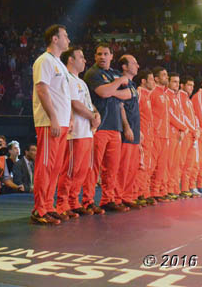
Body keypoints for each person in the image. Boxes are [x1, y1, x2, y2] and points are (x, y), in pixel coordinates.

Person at [31, 24, 71, 225]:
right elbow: (42, 90)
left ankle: (48, 205)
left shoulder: (60, 64)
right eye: (65, 36)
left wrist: (68, 119)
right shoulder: (44, 61)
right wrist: (53, 118)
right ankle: (39, 209)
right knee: (45, 165)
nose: (68, 40)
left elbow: (63, 95)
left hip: (62, 122)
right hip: (49, 122)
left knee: (55, 167)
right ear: (55, 39)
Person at [83, 44, 131, 213]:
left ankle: (107, 199)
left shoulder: (115, 73)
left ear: (111, 55)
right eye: (98, 54)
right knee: (93, 166)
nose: (102, 57)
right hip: (99, 126)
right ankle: (88, 200)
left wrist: (112, 90)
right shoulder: (93, 73)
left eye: (105, 54)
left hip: (115, 126)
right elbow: (102, 93)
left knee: (112, 167)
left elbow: (129, 94)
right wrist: (117, 84)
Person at [55, 47, 99, 217]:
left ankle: (73, 201)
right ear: (71, 60)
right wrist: (92, 116)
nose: (85, 60)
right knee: (71, 169)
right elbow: (74, 103)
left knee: (82, 171)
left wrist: (96, 114)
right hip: (76, 132)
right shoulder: (68, 79)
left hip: (87, 131)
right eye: (81, 57)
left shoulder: (81, 81)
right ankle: (62, 204)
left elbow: (88, 103)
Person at [117, 55, 142, 209]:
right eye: (134, 63)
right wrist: (126, 126)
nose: (137, 65)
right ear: (125, 67)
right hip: (127, 131)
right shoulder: (120, 83)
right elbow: (120, 106)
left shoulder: (132, 84)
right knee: (123, 167)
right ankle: (118, 197)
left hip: (135, 130)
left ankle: (127, 196)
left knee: (132, 167)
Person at [150, 66, 173, 202]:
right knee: (152, 165)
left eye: (167, 74)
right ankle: (147, 192)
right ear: (156, 78)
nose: (167, 77)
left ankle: (157, 191)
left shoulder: (165, 95)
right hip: (155, 135)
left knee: (162, 166)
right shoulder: (153, 93)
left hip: (165, 135)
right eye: (164, 75)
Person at [165, 72, 187, 200]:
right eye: (174, 81)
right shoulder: (167, 95)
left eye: (178, 82)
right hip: (170, 134)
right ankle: (166, 189)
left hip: (178, 135)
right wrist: (183, 127)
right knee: (168, 164)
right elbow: (170, 115)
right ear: (168, 82)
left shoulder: (176, 96)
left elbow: (181, 114)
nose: (177, 84)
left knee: (176, 164)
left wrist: (183, 129)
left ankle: (173, 188)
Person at [135, 69, 156, 206]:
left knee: (148, 164)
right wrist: (138, 131)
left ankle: (144, 192)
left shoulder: (148, 95)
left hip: (149, 136)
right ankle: (137, 194)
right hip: (142, 136)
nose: (154, 82)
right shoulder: (139, 93)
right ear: (143, 81)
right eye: (151, 79)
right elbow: (133, 113)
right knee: (141, 165)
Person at [179, 76, 200, 198]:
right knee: (181, 163)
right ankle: (177, 188)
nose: (191, 88)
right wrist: (193, 129)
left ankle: (185, 188)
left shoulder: (188, 99)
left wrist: (196, 129)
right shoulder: (180, 97)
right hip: (186, 134)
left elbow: (194, 117)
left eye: (192, 86)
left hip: (192, 135)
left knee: (189, 164)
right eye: (189, 85)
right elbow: (182, 116)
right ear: (183, 86)